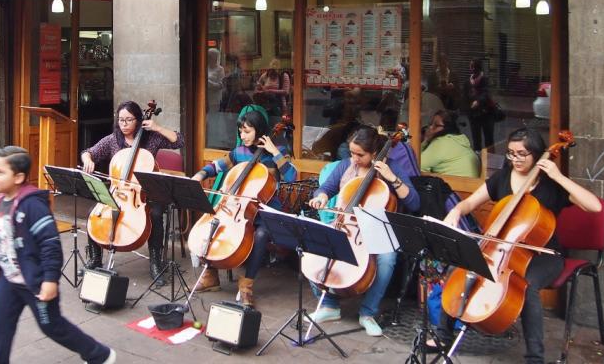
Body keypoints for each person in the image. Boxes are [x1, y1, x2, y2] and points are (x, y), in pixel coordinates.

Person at [434, 127, 602, 363]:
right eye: (511, 154)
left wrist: (558, 176)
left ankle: (535, 357)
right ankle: (443, 335)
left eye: (522, 154)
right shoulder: (502, 178)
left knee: (526, 288)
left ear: (536, 153)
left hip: (544, 256)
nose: (516, 159)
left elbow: (594, 206)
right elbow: (470, 203)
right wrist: (455, 211)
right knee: (459, 269)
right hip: (501, 250)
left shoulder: (552, 185)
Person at [0, 146, 115, 364]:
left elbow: (50, 244)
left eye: (0, 172)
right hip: (9, 280)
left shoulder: (33, 205)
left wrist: (50, 280)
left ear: (18, 177)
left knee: (52, 326)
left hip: (35, 281)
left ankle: (100, 355)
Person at [306, 125, 420, 335]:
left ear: (375, 153)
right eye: (351, 153)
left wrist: (392, 178)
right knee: (314, 246)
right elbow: (327, 188)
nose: (354, 159)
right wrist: (321, 196)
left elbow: (414, 202)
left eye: (360, 155)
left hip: (378, 228)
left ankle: (368, 312)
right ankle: (329, 305)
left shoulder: (392, 167)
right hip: (346, 224)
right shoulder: (345, 166)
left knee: (387, 258)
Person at [190, 108, 296, 306]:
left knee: (262, 235)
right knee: (212, 224)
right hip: (238, 208)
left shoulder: (277, 152)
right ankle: (211, 276)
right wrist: (201, 174)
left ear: (259, 130)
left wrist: (274, 152)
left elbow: (292, 176)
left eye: (247, 131)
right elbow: (217, 166)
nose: (242, 136)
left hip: (265, 210)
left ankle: (246, 284)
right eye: (240, 131)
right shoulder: (239, 152)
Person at [80, 100, 184, 282]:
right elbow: (89, 151)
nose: (124, 124)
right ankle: (95, 259)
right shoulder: (113, 140)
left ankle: (155, 263)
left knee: (156, 215)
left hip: (147, 192)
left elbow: (179, 141)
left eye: (128, 120)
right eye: (121, 120)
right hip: (119, 192)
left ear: (138, 120)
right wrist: (87, 159)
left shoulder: (151, 138)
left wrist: (158, 128)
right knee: (93, 212)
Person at [420, 109, 480, 178]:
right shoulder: (458, 140)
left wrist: (426, 139)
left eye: (436, 125)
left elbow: (417, 165)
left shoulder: (441, 143)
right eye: (430, 124)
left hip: (456, 187)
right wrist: (427, 140)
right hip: (469, 186)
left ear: (448, 127)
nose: (430, 127)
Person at [465, 58, 495, 151]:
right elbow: (465, 95)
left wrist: (478, 101)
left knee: (488, 138)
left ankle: (490, 158)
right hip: (474, 114)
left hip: (486, 112)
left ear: (478, 67)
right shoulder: (469, 81)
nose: (471, 68)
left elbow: (486, 93)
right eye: (470, 66)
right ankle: (477, 157)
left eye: (473, 66)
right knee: (476, 138)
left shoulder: (485, 79)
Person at [206, 47, 225, 112]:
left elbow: (221, 85)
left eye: (210, 56)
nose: (209, 58)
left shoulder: (220, 69)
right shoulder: (204, 68)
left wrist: (208, 83)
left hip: (214, 100)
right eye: (208, 56)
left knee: (213, 118)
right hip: (204, 99)